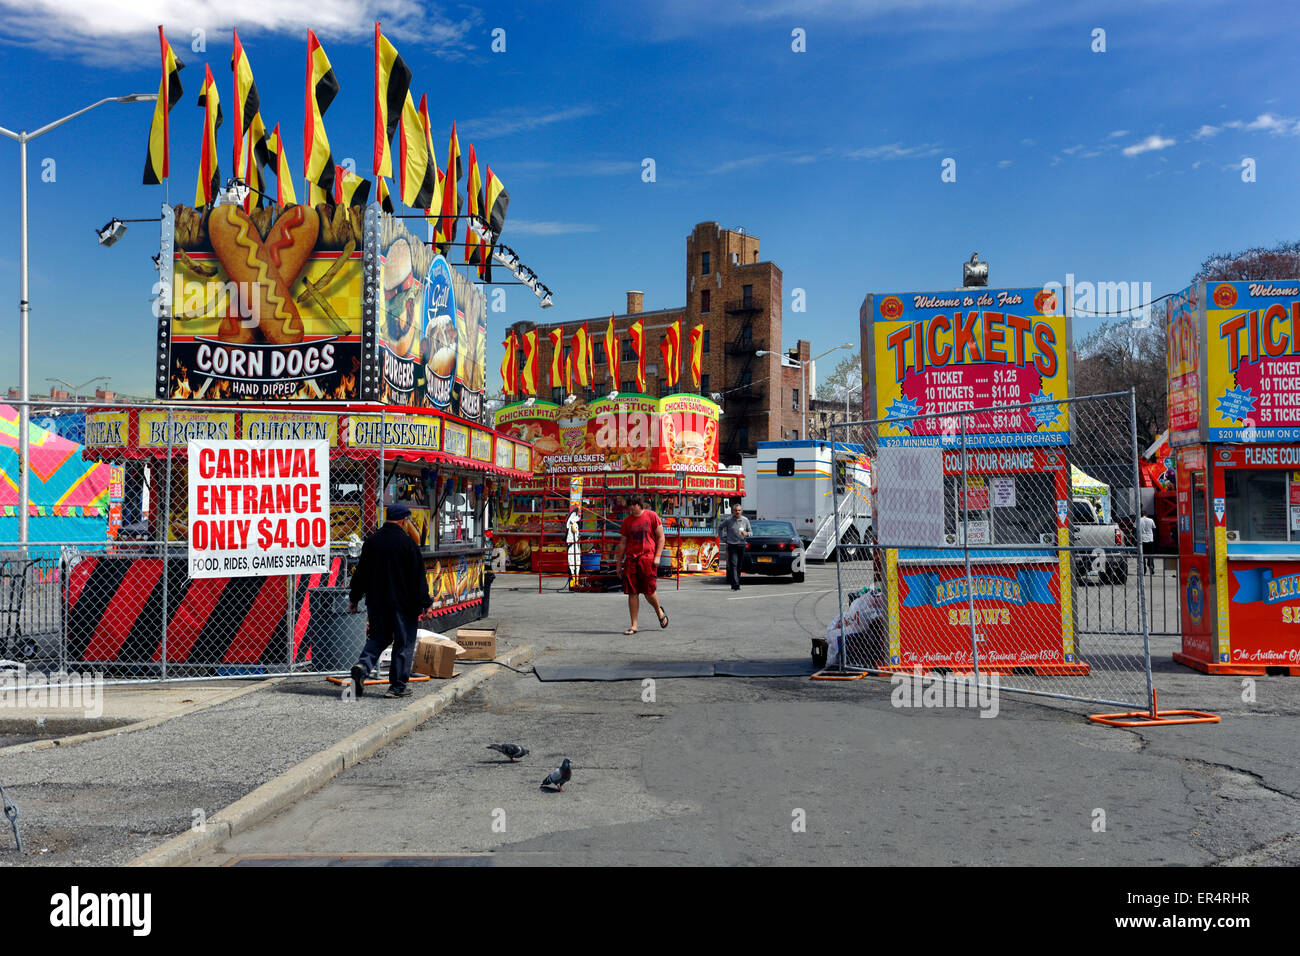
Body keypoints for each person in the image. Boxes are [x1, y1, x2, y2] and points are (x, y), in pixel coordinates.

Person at [349, 503, 432, 698]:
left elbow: (361, 574)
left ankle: (363, 665)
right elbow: (417, 577)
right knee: (403, 642)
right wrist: (426, 602)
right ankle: (396, 687)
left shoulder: (372, 542)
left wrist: (354, 597)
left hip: (377, 603)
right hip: (403, 604)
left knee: (378, 637)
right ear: (404, 521)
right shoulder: (408, 544)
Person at [614, 495, 668, 634]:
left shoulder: (652, 516)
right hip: (631, 559)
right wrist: (618, 563)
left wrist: (657, 556)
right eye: (629, 506)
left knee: (649, 592)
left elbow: (661, 537)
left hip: (648, 558)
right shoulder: (627, 521)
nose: (631, 508)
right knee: (632, 593)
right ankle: (634, 625)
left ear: (639, 504)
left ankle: (659, 611)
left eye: (633, 505)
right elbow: (622, 543)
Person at [717, 502, 751, 590]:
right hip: (732, 545)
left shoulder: (745, 520)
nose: (737, 512)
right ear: (733, 511)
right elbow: (720, 527)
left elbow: (751, 533)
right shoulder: (728, 520)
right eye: (736, 510)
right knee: (733, 565)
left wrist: (746, 533)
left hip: (742, 545)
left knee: (739, 566)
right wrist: (723, 538)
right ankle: (735, 584)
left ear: (741, 511)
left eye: (739, 510)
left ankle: (737, 581)